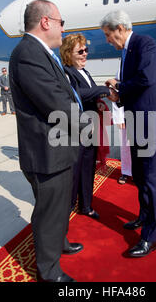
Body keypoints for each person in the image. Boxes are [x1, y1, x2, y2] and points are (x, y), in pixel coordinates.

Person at [9, 0, 85, 282]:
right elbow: (55, 103)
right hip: (46, 152)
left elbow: (65, 93)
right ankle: (49, 272)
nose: (63, 29)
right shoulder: (28, 53)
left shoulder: (42, 53)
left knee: (60, 205)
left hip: (59, 148)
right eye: (61, 22)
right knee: (49, 211)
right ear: (45, 22)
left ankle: (58, 243)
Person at [103, 10, 156, 258]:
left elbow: (146, 78)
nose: (107, 41)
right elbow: (135, 90)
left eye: (108, 35)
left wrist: (119, 85)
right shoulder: (126, 52)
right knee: (140, 176)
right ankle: (144, 216)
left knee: (153, 183)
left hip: (152, 126)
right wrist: (119, 96)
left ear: (120, 28)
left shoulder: (144, 43)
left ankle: (150, 238)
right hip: (138, 124)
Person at [60, 33, 112, 220]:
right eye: (80, 51)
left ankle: (86, 206)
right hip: (76, 130)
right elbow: (76, 93)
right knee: (74, 172)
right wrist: (101, 90)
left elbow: (88, 95)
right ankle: (65, 212)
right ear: (68, 54)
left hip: (90, 129)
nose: (85, 54)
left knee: (88, 169)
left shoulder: (85, 72)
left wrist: (97, 101)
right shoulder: (67, 72)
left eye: (86, 50)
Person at [112, 101, 132, 185]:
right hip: (125, 112)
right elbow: (116, 94)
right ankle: (126, 171)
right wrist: (120, 118)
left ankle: (139, 172)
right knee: (125, 145)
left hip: (142, 109)